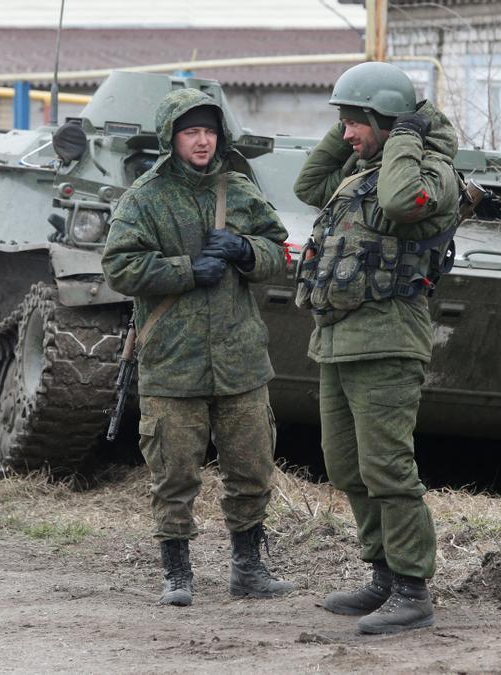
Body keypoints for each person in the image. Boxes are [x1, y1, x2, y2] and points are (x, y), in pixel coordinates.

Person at [101, 88, 293, 607]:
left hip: (240, 359)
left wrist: (246, 252)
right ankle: (177, 575)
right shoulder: (144, 198)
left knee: (251, 469)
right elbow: (118, 267)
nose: (202, 140)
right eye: (191, 131)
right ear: (172, 138)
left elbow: (281, 252)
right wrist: (186, 271)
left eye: (209, 131)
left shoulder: (241, 190)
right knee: (174, 473)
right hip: (173, 360)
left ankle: (249, 570)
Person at [293, 61, 460, 634]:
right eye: (341, 123)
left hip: (388, 338)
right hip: (338, 340)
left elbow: (396, 204)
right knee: (347, 467)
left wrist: (406, 133)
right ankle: (383, 576)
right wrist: (356, 115)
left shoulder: (433, 175)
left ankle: (413, 591)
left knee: (388, 467)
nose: (345, 135)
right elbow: (307, 186)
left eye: (355, 123)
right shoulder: (357, 171)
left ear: (389, 123)